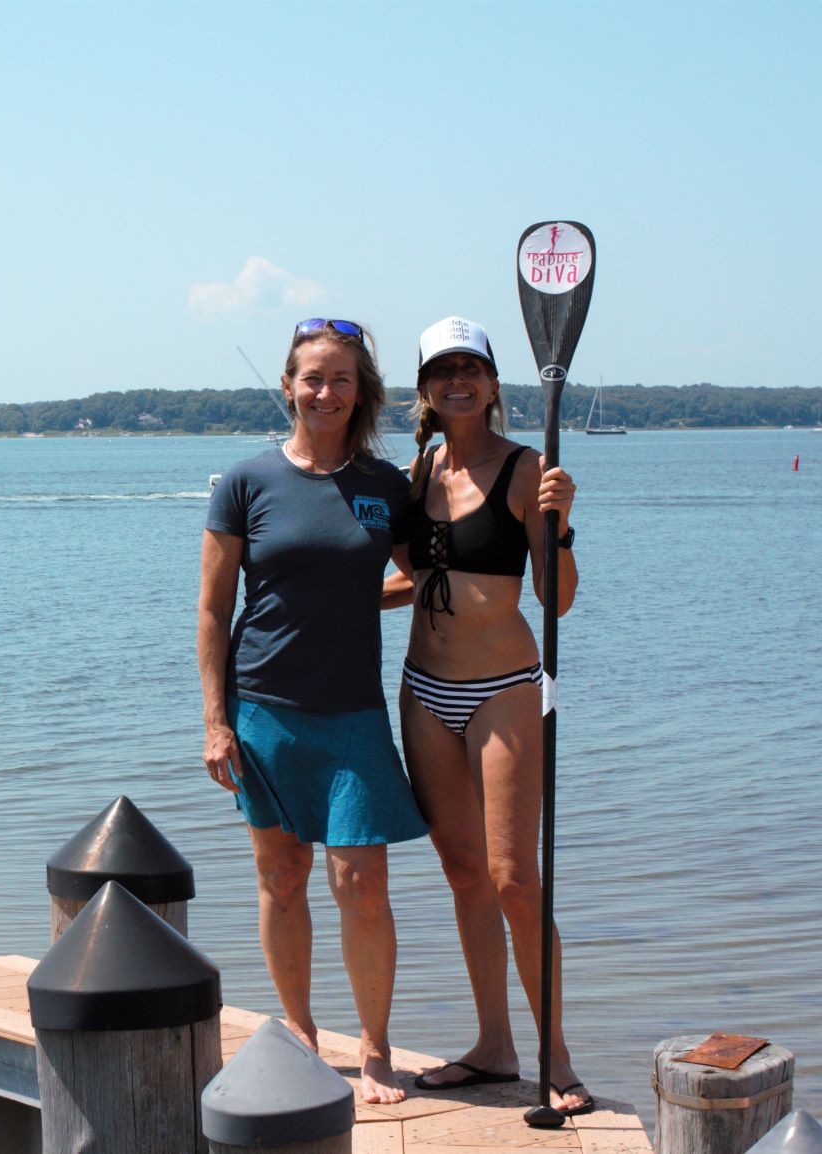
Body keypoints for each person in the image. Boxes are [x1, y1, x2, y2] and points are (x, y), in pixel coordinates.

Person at [199, 318, 429, 1105]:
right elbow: (211, 609)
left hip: (353, 714)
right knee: (282, 877)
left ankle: (373, 1049)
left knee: (362, 882)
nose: (325, 392)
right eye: (311, 378)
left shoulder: (384, 485)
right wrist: (214, 719)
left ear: (359, 390)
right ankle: (299, 1034)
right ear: (289, 385)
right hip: (262, 709)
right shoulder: (245, 482)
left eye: (340, 379)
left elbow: (426, 576)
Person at [387, 316, 592, 1116]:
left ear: (496, 382)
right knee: (463, 873)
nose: (457, 380)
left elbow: (558, 601)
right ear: (426, 390)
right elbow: (421, 577)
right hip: (422, 690)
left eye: (471, 366)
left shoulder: (527, 469)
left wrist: (560, 525)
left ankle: (557, 1061)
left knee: (515, 880)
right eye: (442, 369)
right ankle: (493, 1046)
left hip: (504, 688)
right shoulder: (418, 470)